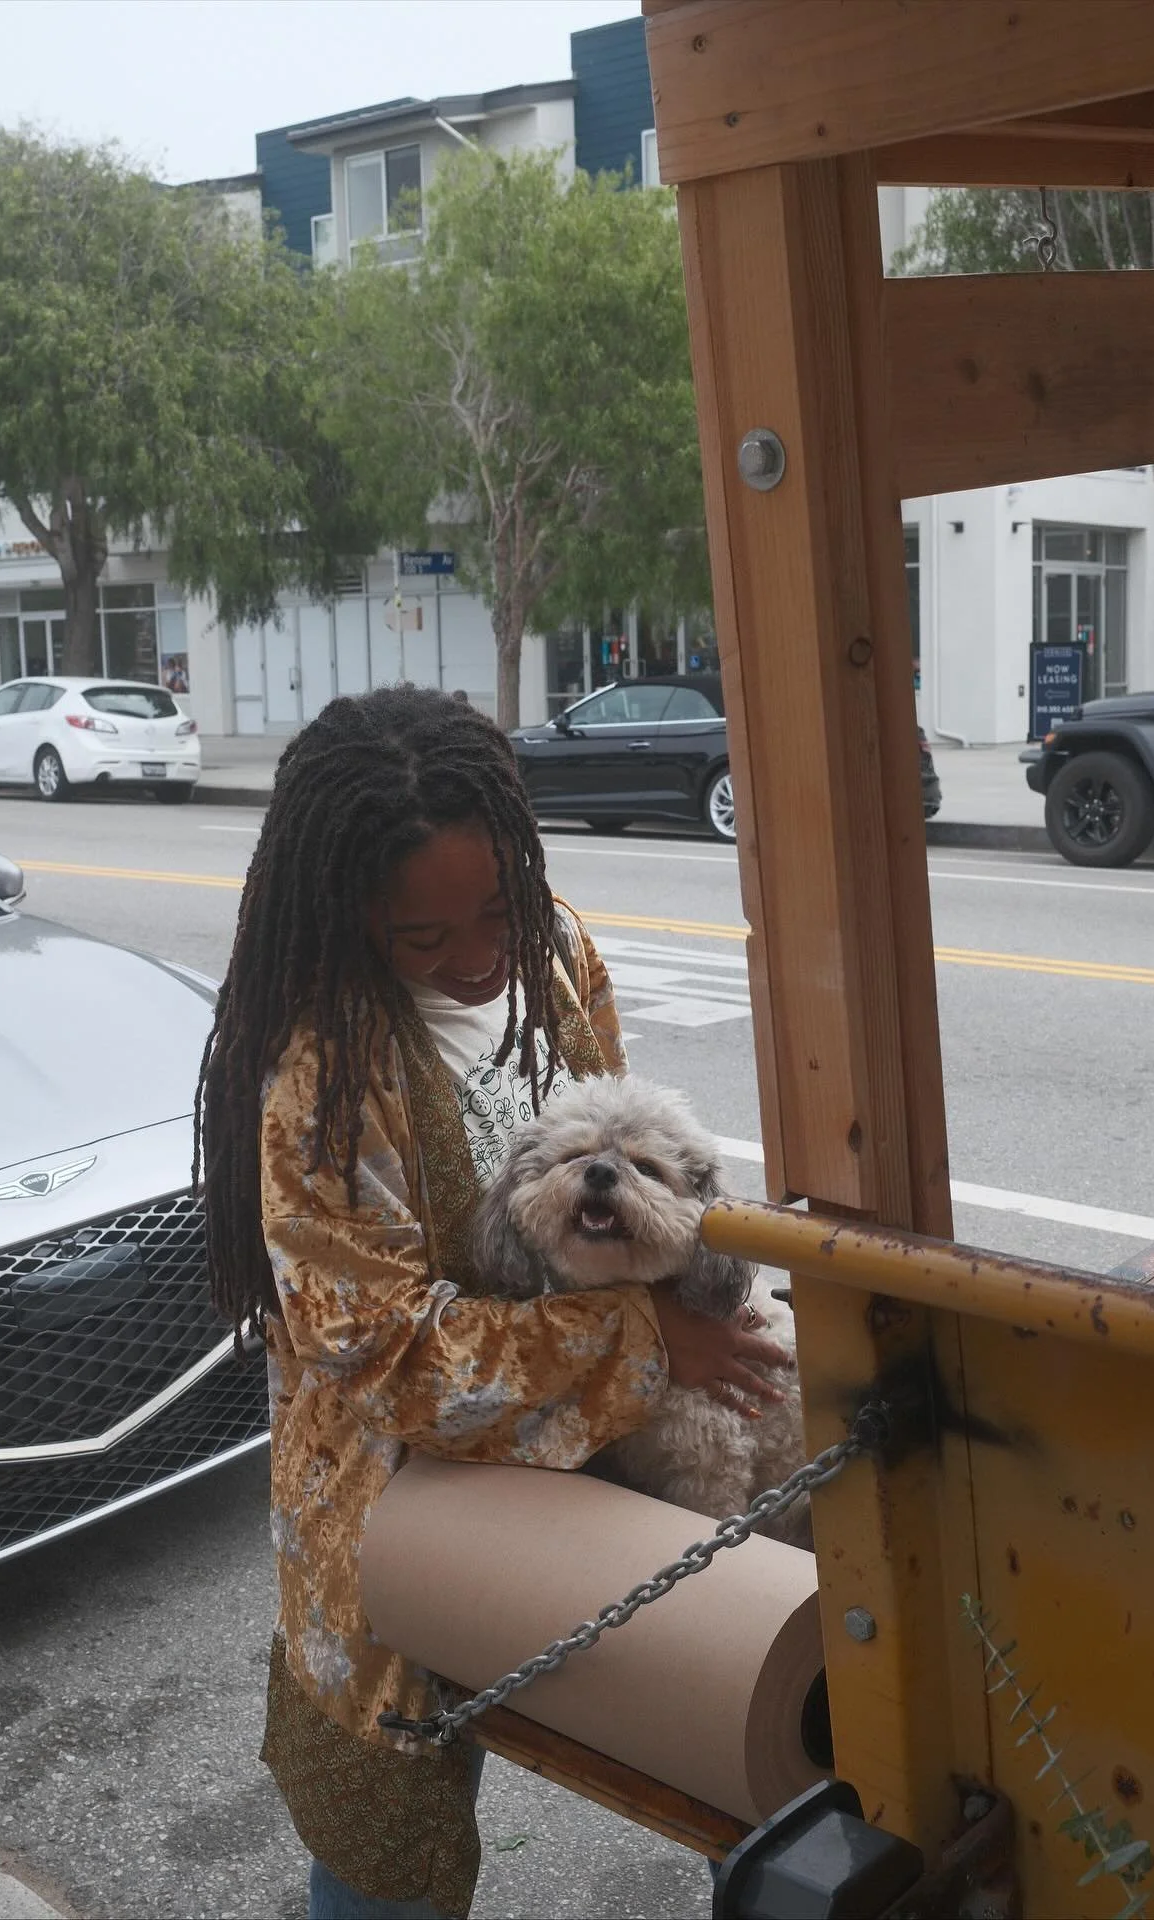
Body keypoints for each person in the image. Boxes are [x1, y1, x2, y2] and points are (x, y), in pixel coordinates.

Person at [196, 685, 789, 1920]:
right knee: (388, 1817)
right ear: (347, 912)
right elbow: (382, 1356)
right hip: (395, 1486)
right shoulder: (320, 1069)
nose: (477, 956)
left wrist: (683, 1306)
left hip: (599, 1451)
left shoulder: (557, 956)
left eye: (498, 909)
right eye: (425, 939)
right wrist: (645, 1334)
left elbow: (622, 1148)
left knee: (727, 1722)